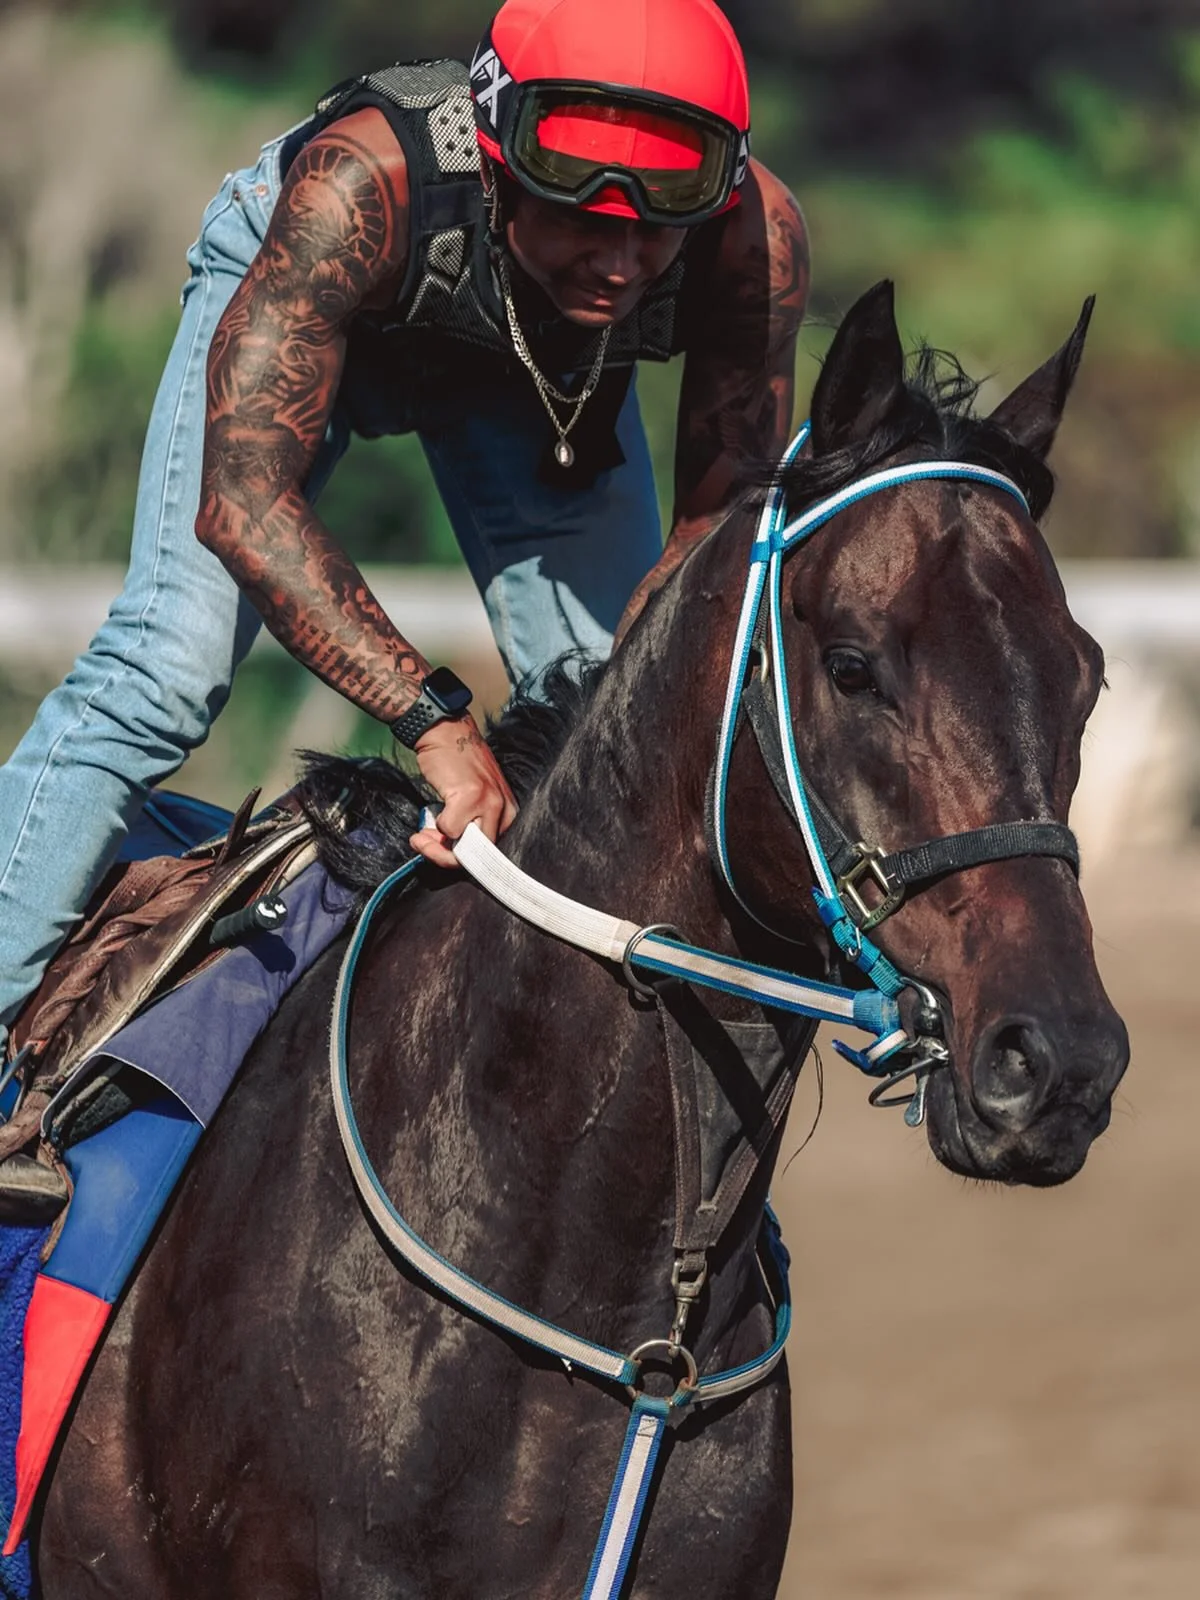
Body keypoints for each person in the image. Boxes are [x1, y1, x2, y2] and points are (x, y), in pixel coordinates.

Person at [0, 0, 809, 1062]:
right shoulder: (356, 184)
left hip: (535, 364)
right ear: (493, 151)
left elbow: (718, 532)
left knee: (625, 714)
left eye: (658, 224)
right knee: (167, 664)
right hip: (322, 300)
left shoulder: (756, 238)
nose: (618, 263)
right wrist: (438, 722)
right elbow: (243, 500)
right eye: (579, 211)